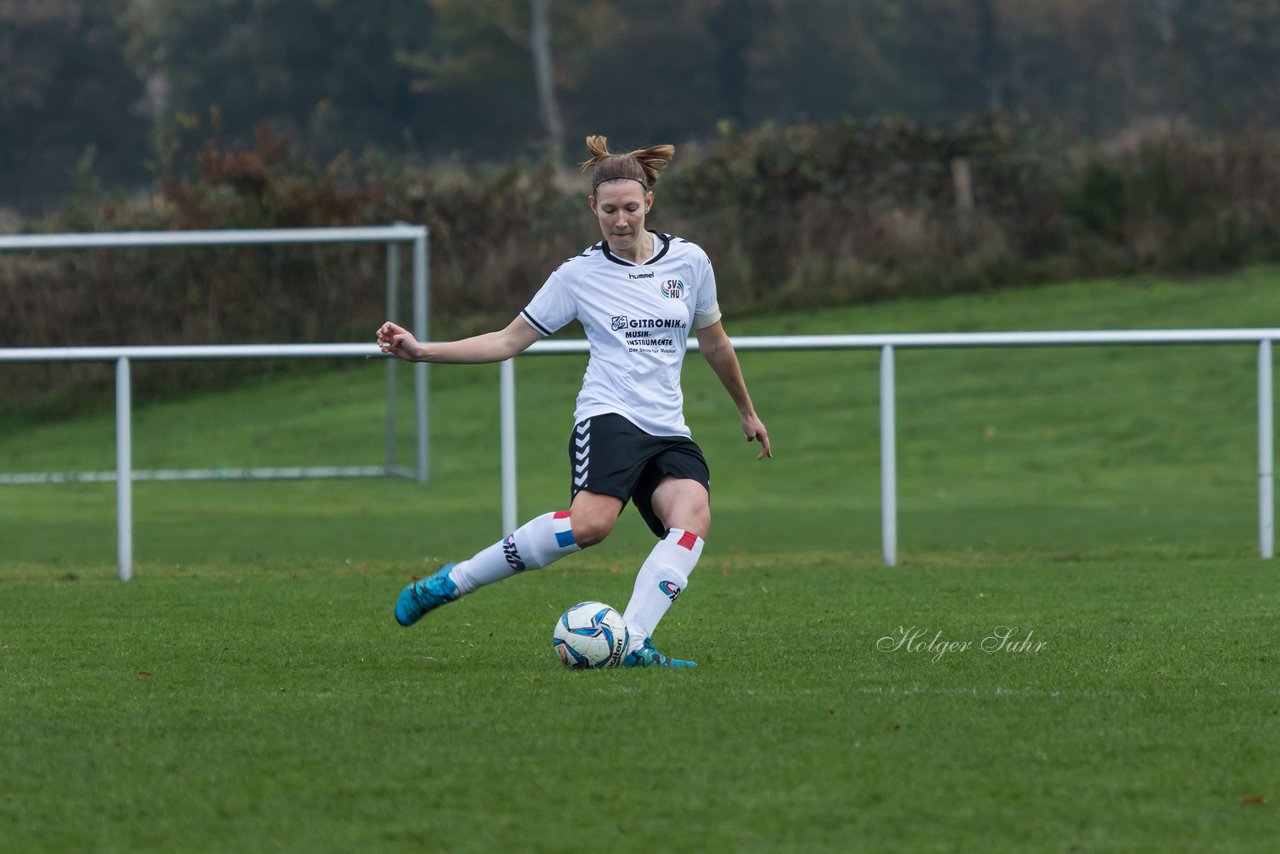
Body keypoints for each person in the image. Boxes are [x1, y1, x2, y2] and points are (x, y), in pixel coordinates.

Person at [377, 135, 771, 668]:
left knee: (693, 517)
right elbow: (506, 340)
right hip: (608, 415)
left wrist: (746, 411)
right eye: (609, 210)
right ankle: (453, 581)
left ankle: (632, 641)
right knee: (590, 526)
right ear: (593, 208)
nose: (621, 220)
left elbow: (715, 341)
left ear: (649, 202)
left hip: (668, 427)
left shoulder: (691, 263)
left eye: (631, 208)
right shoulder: (578, 275)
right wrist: (423, 351)